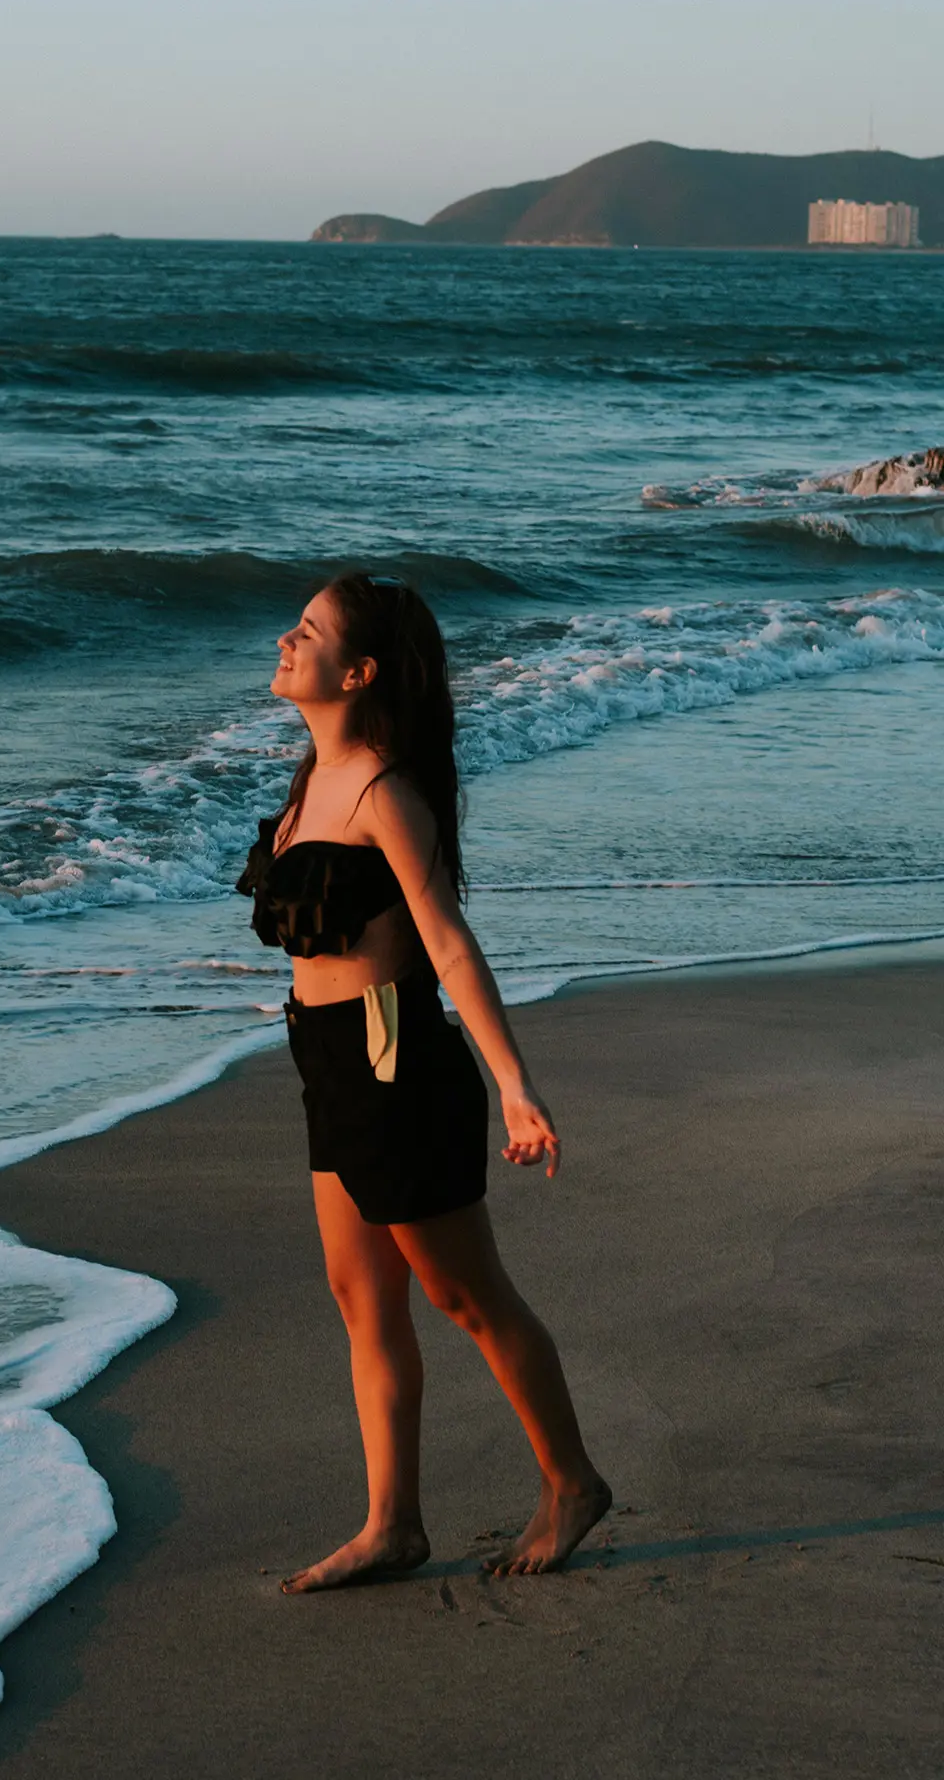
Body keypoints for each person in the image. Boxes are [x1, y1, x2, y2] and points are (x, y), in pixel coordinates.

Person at [236, 573, 610, 1593]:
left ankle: (571, 1481)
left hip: (395, 1048)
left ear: (355, 672)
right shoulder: (308, 782)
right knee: (361, 1297)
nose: (284, 638)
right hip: (323, 1051)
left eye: (305, 632)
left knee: (462, 1292)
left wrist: (516, 1086)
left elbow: (447, 945)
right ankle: (392, 1525)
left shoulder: (384, 793)